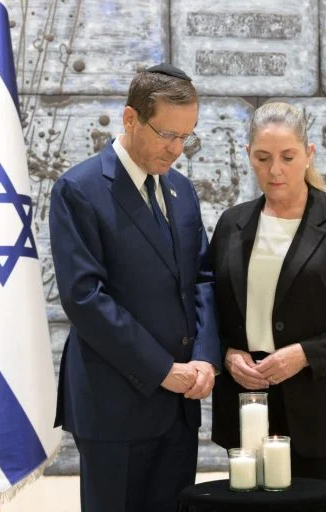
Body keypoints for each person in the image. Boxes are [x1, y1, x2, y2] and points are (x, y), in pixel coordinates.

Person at [49, 64, 221, 512]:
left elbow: (201, 277)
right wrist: (163, 368)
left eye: (187, 137)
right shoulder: (79, 189)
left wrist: (204, 357)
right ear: (130, 119)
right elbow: (85, 298)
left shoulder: (182, 190)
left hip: (179, 408)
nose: (177, 150)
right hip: (115, 406)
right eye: (168, 134)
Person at [209, 102, 326, 487]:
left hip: (323, 416)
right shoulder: (232, 224)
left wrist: (305, 355)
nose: (275, 170)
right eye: (263, 158)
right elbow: (213, 314)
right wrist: (227, 354)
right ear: (249, 156)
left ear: (309, 154)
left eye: (287, 157)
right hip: (247, 411)